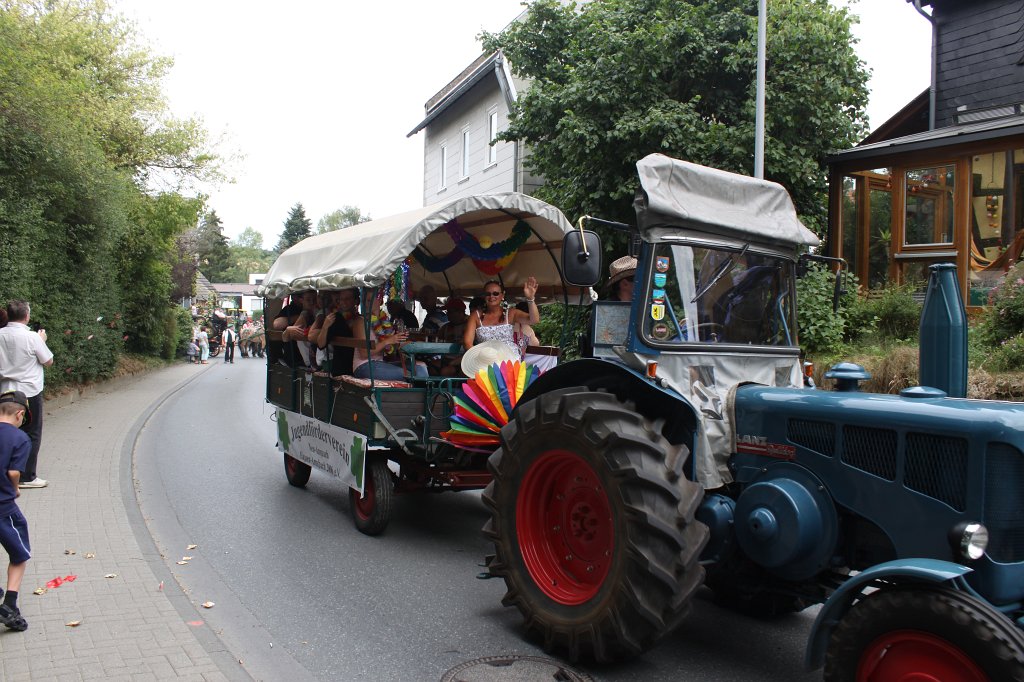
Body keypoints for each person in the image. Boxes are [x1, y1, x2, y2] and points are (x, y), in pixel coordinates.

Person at [0, 300, 54, 489]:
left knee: (5, 432)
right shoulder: (32, 337)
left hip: (5, 389)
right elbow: (48, 361)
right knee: (32, 432)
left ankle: (5, 472)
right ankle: (27, 476)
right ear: (27, 316)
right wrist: (42, 341)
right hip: (29, 391)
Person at [0, 390, 31, 631]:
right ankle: (10, 604)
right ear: (20, 414)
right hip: (4, 508)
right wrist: (15, 489)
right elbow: (13, 472)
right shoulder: (20, 439)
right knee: (20, 554)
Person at [350, 294, 426, 380]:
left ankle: (421, 393)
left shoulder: (384, 321)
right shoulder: (360, 321)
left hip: (380, 363)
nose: (366, 304)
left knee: (421, 368)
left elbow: (391, 351)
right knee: (410, 375)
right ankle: (415, 393)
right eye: (364, 301)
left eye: (369, 301)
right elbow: (364, 353)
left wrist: (402, 341)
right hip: (364, 366)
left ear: (380, 301)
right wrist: (388, 341)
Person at [463, 278, 539, 358]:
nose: (491, 296)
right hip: (485, 361)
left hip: (510, 362)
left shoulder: (511, 313)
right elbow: (467, 343)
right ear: (484, 296)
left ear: (502, 295)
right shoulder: (475, 316)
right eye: (488, 294)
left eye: (495, 293)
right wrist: (480, 359)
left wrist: (530, 299)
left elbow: (534, 320)